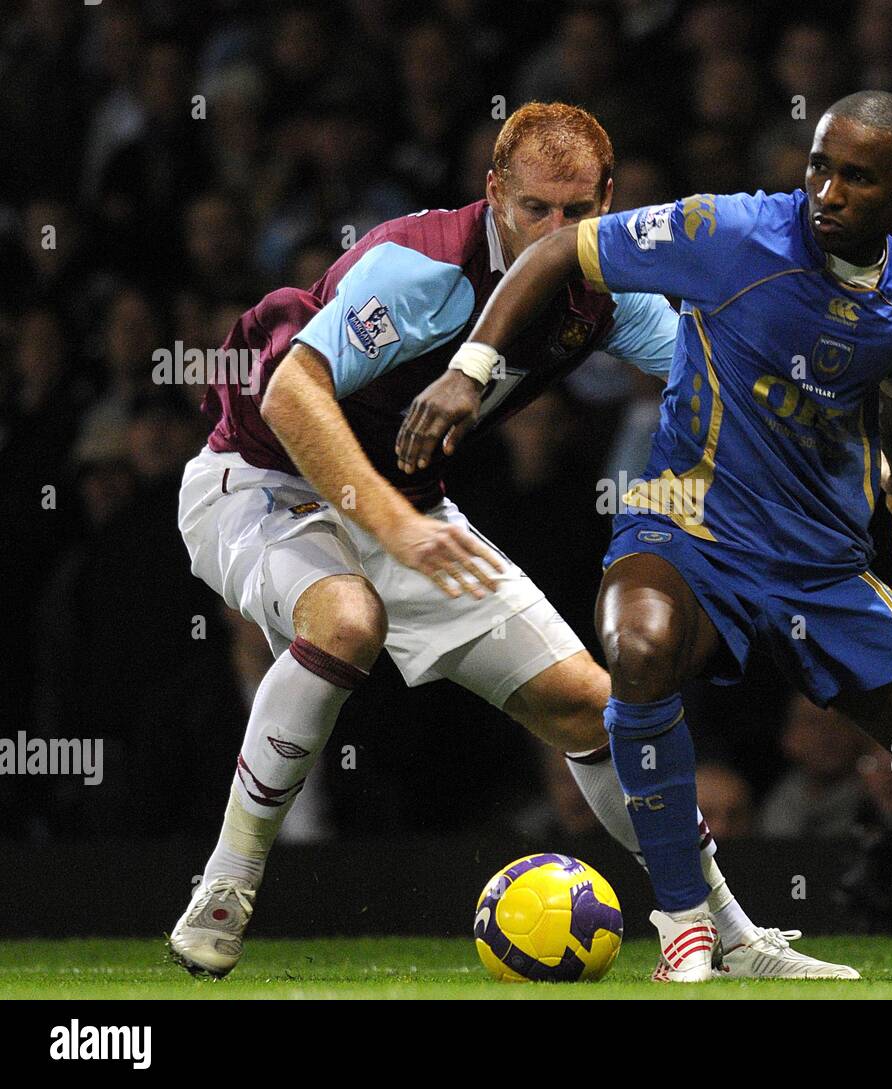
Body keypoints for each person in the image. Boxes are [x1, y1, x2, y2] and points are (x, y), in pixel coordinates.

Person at [410, 90, 892, 982]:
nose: (827, 191)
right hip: (684, 525)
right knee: (636, 649)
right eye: (820, 165)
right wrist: (468, 370)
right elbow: (559, 249)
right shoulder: (727, 232)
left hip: (818, 564)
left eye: (856, 177)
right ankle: (684, 920)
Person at [169, 102, 853, 981]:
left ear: (610, 199)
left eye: (577, 212)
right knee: (347, 619)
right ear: (495, 194)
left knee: (593, 708)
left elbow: (727, 384)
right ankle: (226, 884)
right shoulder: (419, 269)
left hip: (408, 508)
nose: (555, 232)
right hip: (257, 482)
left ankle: (727, 929)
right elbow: (291, 393)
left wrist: (880, 449)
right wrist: (389, 522)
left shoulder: (604, 290)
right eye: (536, 209)